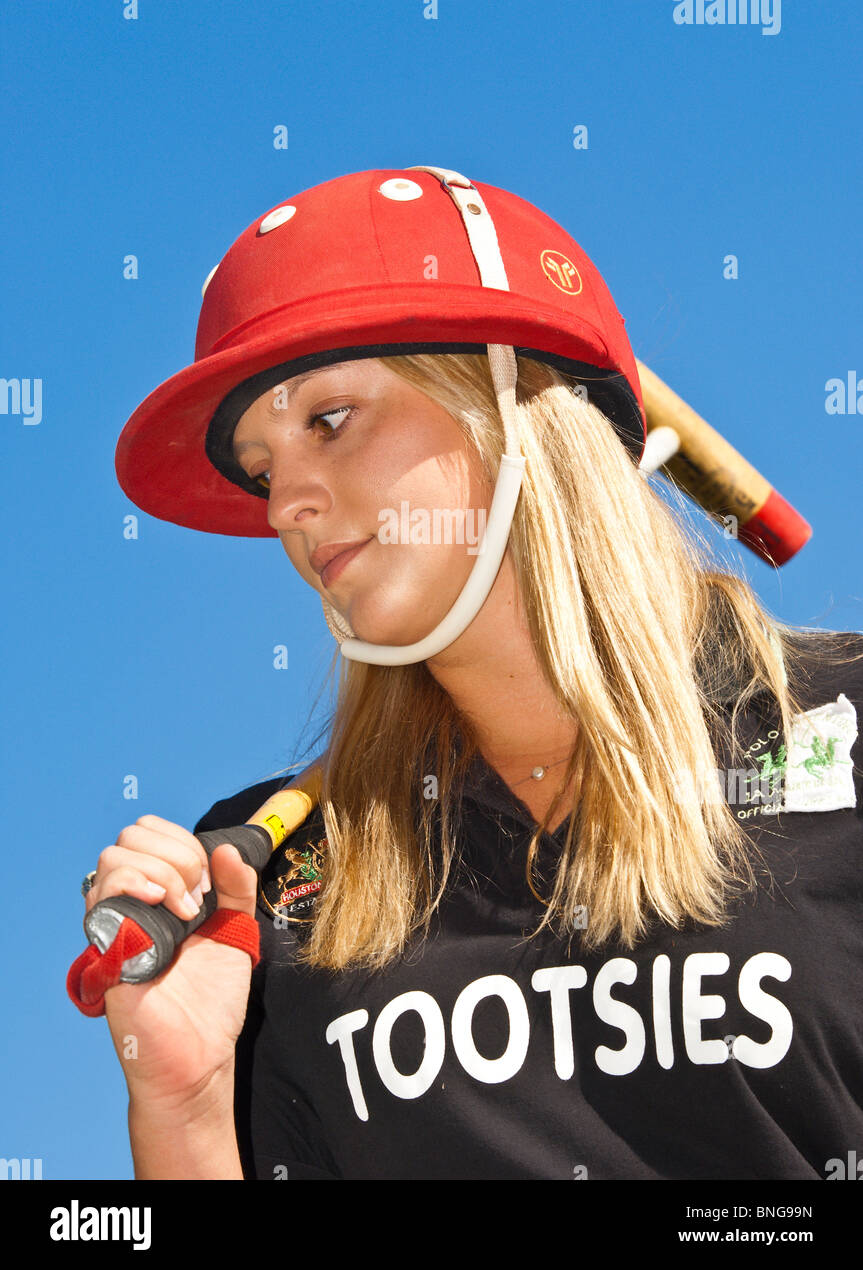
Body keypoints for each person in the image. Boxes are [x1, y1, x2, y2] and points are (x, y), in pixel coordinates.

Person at [81, 166, 863, 1180]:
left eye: (327, 420)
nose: (284, 508)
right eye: (262, 466)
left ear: (513, 400)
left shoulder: (840, 725)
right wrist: (183, 1111)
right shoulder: (263, 878)